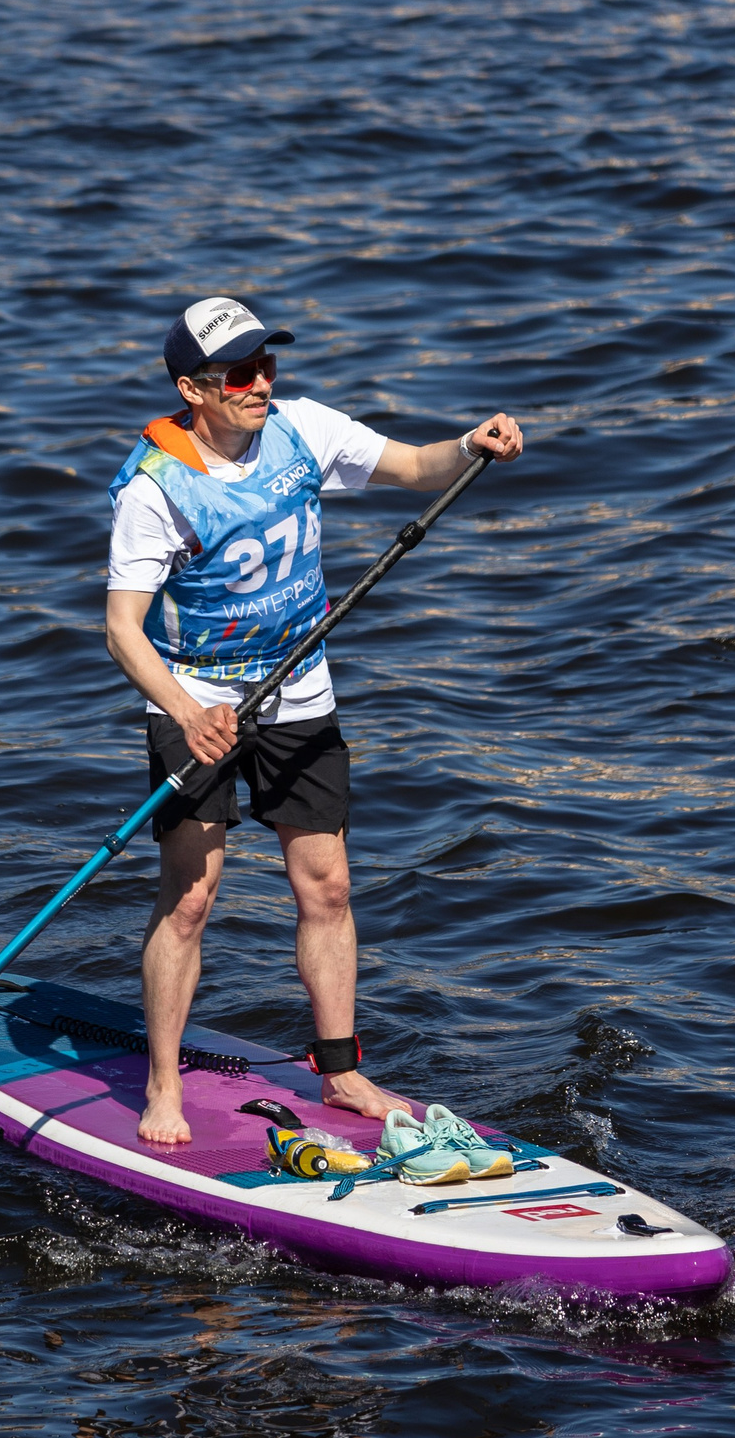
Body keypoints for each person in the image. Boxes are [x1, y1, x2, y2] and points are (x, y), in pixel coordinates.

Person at [105, 297, 524, 1144]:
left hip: (299, 691)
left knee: (327, 886)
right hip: (197, 698)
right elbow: (121, 629)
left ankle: (340, 1072)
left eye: (267, 365)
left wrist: (469, 445)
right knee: (191, 898)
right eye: (240, 374)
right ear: (193, 389)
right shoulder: (154, 489)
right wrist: (188, 713)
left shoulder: (302, 429)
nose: (262, 384)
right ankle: (163, 1085)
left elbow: (415, 466)